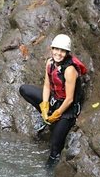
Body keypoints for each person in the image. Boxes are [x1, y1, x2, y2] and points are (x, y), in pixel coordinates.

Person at [19, 34, 84, 166]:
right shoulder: (50, 63)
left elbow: (70, 99)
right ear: (52, 49)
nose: (58, 53)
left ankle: (47, 172)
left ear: (66, 53)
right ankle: (47, 118)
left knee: (55, 149)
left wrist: (57, 114)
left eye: (62, 51)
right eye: (56, 49)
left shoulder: (69, 70)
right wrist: (44, 105)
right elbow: (47, 86)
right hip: (55, 100)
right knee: (24, 89)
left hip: (67, 109)